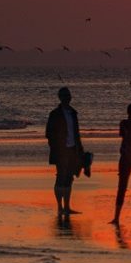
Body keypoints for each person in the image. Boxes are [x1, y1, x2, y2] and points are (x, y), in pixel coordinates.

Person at [45, 86, 85, 218]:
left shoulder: (73, 113)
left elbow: (77, 133)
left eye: (68, 96)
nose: (67, 99)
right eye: (65, 96)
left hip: (73, 149)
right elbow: (49, 133)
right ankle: (60, 207)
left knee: (69, 178)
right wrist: (56, 148)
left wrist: (80, 150)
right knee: (60, 177)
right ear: (60, 98)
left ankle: (67, 207)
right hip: (60, 150)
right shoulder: (55, 114)